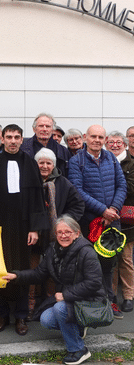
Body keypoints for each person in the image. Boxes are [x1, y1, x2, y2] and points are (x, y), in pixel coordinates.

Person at [3, 216, 104, 365]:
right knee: (46, 319)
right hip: (68, 298)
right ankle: (78, 326)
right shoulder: (53, 250)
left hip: (89, 299)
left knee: (60, 309)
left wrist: (65, 295)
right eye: (59, 232)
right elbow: (39, 274)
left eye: (68, 232)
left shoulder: (86, 252)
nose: (63, 236)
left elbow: (94, 282)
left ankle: (78, 350)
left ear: (77, 233)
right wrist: (17, 275)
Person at [0, 124, 48, 335]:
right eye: (9, 137)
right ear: (3, 139)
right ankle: (1, 314)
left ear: (21, 139)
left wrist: (35, 229)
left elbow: (37, 198)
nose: (13, 141)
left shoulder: (30, 164)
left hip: (23, 226)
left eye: (17, 137)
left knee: (22, 270)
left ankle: (20, 315)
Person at [68, 125, 127, 318]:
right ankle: (91, 304)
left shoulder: (111, 157)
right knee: (88, 264)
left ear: (105, 139)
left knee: (109, 264)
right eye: (93, 136)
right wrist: (103, 210)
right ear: (86, 137)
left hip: (112, 222)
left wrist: (114, 209)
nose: (97, 140)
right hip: (90, 223)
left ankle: (110, 301)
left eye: (101, 137)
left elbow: (121, 185)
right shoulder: (76, 161)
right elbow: (77, 191)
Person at [31, 148, 84, 319]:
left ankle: (49, 306)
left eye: (48, 163)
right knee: (33, 270)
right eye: (41, 162)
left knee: (53, 273)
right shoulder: (30, 180)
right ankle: (30, 305)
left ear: (53, 165)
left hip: (55, 237)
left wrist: (64, 223)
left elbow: (78, 205)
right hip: (33, 235)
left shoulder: (63, 183)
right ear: (36, 163)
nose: (45, 166)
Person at [107, 130, 134, 313]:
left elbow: (131, 187)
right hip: (107, 217)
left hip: (126, 220)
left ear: (124, 144)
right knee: (110, 260)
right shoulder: (104, 160)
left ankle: (128, 296)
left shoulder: (132, 163)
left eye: (118, 142)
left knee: (125, 259)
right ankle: (112, 297)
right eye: (111, 142)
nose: (115, 145)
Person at [120, 126, 134, 312]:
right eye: (131, 135)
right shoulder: (122, 160)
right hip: (125, 216)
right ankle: (126, 296)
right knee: (123, 257)